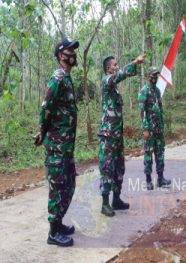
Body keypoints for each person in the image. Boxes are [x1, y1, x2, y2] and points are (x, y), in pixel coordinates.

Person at [34, 38, 79, 247]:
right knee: (58, 186)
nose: (74, 54)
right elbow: (46, 107)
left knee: (69, 184)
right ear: (62, 55)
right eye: (71, 51)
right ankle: (52, 233)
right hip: (56, 146)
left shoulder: (67, 78)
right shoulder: (57, 78)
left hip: (66, 146)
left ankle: (59, 222)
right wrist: (42, 131)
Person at [99, 54, 145, 217]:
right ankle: (105, 203)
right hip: (108, 134)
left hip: (117, 134)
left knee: (119, 167)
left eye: (118, 64)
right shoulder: (107, 81)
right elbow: (120, 76)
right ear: (107, 69)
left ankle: (116, 200)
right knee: (107, 167)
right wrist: (134, 62)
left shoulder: (114, 88)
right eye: (115, 65)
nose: (117, 67)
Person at [138, 66, 171, 190]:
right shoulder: (143, 91)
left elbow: (160, 109)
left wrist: (162, 125)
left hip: (158, 129)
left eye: (156, 75)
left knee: (160, 153)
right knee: (148, 154)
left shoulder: (157, 91)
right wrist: (145, 129)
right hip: (149, 130)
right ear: (148, 76)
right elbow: (142, 112)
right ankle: (148, 180)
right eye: (153, 75)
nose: (155, 78)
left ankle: (161, 179)